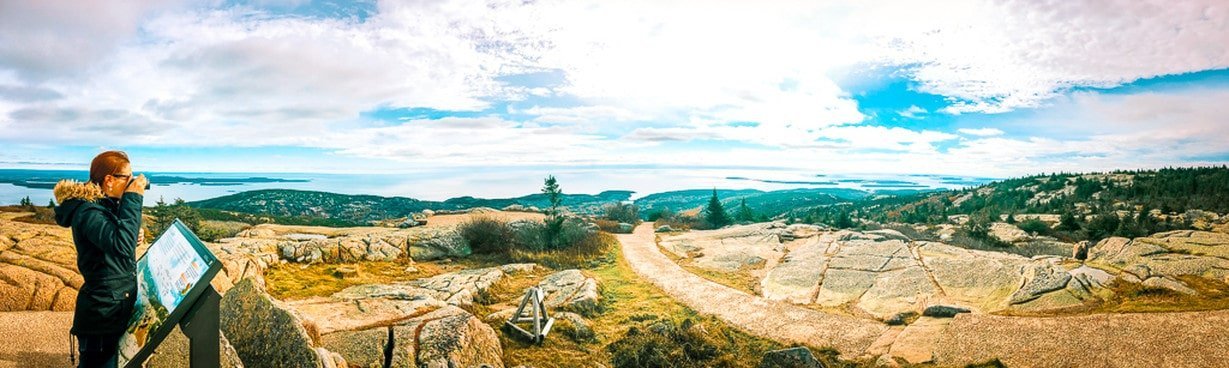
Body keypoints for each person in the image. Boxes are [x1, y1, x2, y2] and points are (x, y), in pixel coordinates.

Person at [53, 151, 148, 368]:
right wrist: (134, 197)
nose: (132, 183)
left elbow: (114, 242)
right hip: (102, 316)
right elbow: (120, 246)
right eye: (128, 178)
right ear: (109, 180)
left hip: (111, 309)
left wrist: (131, 234)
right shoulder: (88, 212)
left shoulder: (102, 205)